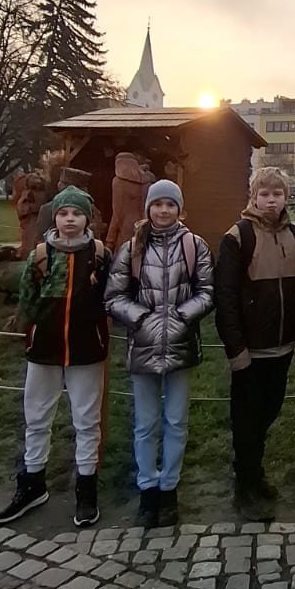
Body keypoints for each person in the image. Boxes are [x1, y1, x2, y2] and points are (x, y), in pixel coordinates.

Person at [0, 186, 109, 528]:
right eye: (63, 213)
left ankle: (86, 490)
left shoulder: (100, 255)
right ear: (55, 217)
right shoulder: (40, 256)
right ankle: (33, 483)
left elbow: (110, 297)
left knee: (86, 421)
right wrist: (26, 331)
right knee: (37, 418)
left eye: (76, 213)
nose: (70, 219)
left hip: (86, 349)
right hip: (44, 349)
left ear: (87, 218)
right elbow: (27, 301)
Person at [105, 180, 213, 528]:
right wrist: (142, 319)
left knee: (176, 421)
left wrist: (181, 316)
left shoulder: (194, 246)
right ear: (148, 208)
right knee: (146, 423)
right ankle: (147, 489)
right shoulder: (132, 248)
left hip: (180, 344)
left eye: (170, 204)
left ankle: (169, 488)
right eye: (157, 204)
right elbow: (114, 297)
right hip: (143, 345)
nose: (163, 210)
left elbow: (207, 291)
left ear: (179, 209)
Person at [214, 166, 295, 505]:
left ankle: (253, 472)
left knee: (269, 411)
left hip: (282, 346)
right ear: (253, 197)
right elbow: (225, 297)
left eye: (277, 194)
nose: (271, 200)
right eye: (265, 194)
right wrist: (236, 348)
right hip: (251, 349)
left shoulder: (294, 235)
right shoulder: (238, 237)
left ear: (286, 197)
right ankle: (245, 483)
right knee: (247, 418)